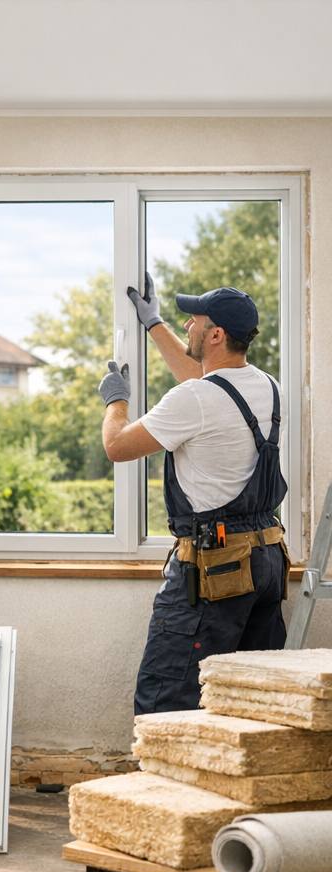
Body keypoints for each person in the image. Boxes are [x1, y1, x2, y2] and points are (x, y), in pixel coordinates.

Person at [99, 274, 288, 715]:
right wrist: (154, 325)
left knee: (167, 703)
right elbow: (207, 388)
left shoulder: (195, 400)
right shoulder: (267, 386)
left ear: (216, 334)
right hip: (265, 560)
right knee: (245, 704)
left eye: (194, 321)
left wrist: (116, 401)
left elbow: (117, 447)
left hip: (216, 567)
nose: (188, 326)